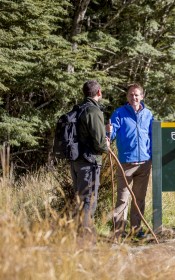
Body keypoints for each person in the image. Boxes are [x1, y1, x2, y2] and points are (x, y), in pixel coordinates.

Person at [108, 84, 153, 239]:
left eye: (137, 95)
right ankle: (118, 232)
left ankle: (136, 230)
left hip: (144, 163)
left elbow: (152, 137)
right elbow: (112, 132)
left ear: (142, 96)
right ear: (127, 97)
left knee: (139, 199)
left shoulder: (148, 114)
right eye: (131, 95)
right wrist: (107, 136)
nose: (134, 97)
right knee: (122, 199)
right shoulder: (119, 113)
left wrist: (152, 157)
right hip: (125, 163)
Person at [70, 80, 110, 241]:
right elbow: (100, 144)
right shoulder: (93, 111)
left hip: (76, 160)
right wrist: (107, 144)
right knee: (88, 199)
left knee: (81, 199)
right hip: (89, 162)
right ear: (99, 92)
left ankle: (78, 235)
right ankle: (84, 239)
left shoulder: (79, 109)